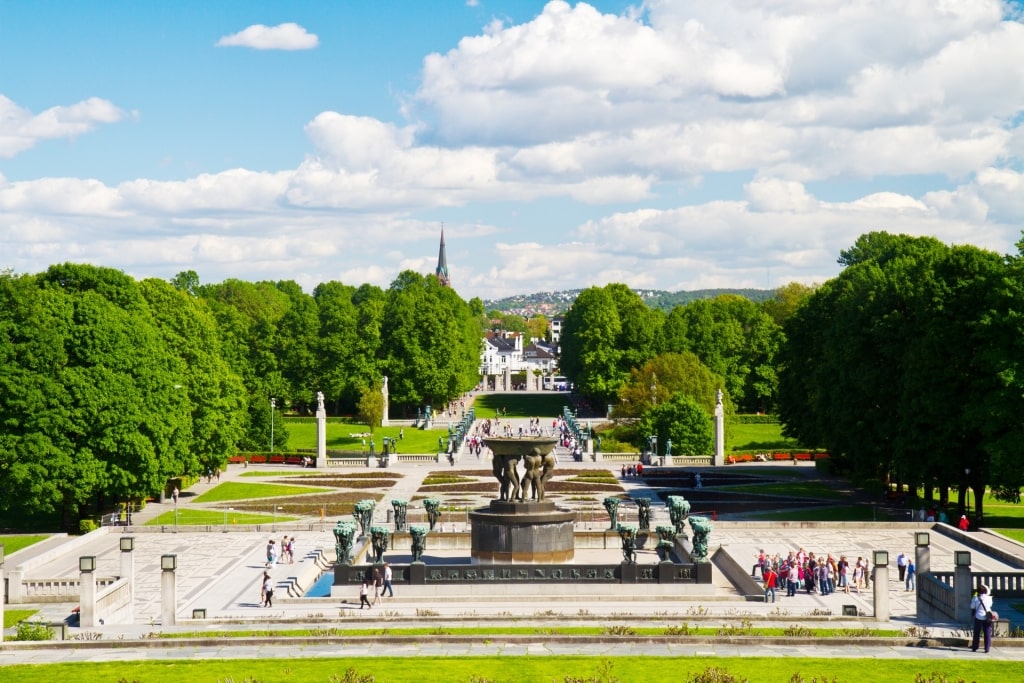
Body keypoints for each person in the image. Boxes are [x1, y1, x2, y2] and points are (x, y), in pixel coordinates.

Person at [970, 584, 994, 653]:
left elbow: (972, 607)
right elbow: (990, 605)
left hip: (978, 617)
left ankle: (975, 646)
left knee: (976, 633)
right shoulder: (989, 598)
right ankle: (987, 648)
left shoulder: (975, 598)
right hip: (987, 617)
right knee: (987, 633)